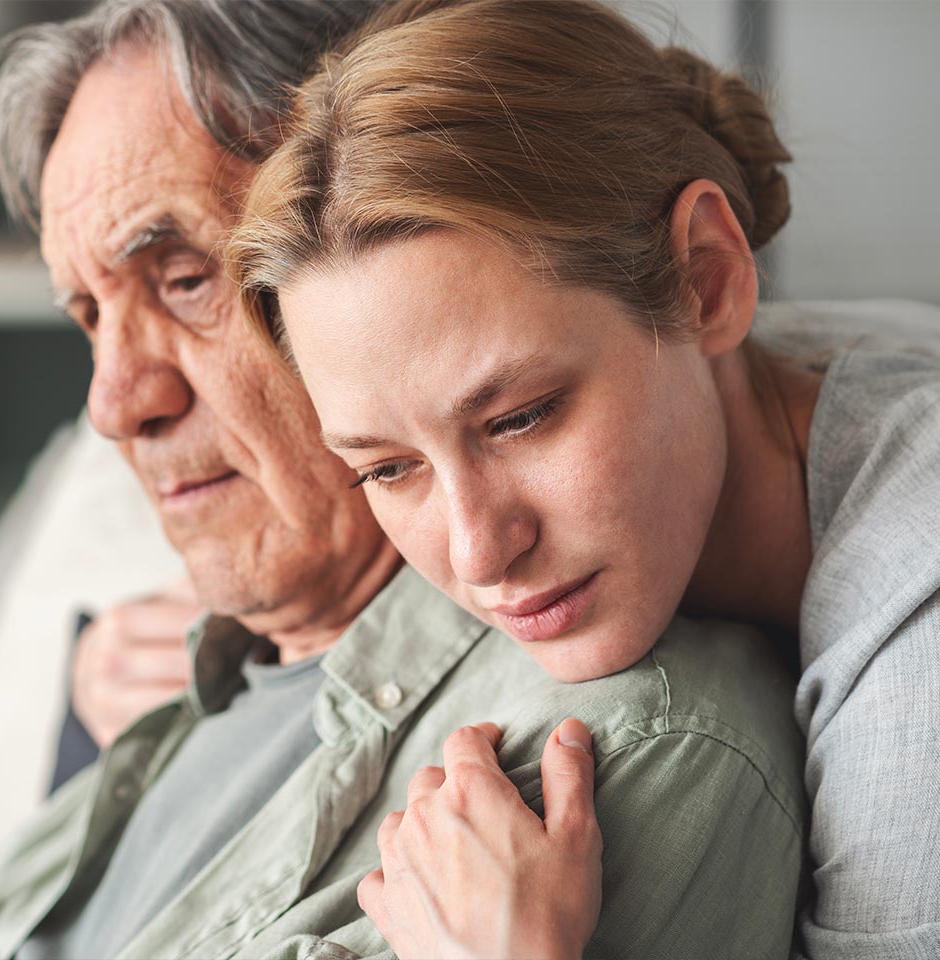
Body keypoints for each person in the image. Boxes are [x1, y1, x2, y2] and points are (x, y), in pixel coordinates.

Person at [0, 2, 806, 959]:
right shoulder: (177, 676)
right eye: (89, 313)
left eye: (185, 279)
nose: (113, 403)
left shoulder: (594, 766)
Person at [230, 1, 940, 957]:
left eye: (520, 417)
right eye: (388, 469)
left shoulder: (918, 663)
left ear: (708, 279)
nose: (480, 550)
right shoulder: (780, 377)